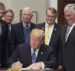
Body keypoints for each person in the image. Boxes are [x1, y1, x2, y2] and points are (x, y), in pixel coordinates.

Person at [59, 4, 75, 71]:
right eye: (65, 16)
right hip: (64, 66)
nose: (67, 18)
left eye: (69, 15)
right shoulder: (63, 28)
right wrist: (60, 63)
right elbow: (61, 47)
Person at [0, 2, 8, 67]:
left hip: (1, 58)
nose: (1, 15)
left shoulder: (4, 24)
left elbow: (6, 42)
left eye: (2, 13)